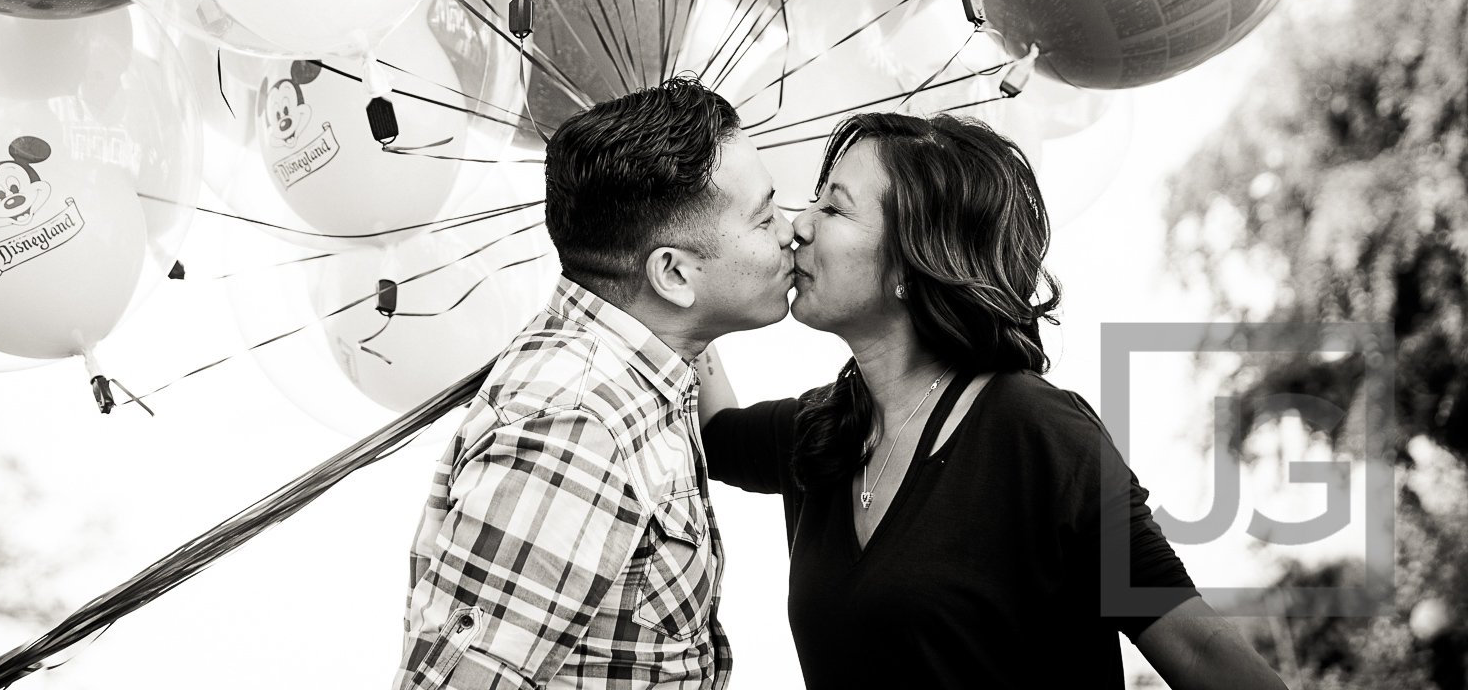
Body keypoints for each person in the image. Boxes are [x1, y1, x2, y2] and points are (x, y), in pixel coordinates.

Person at [697, 112, 1289, 690]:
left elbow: (1194, 645)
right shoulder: (822, 431)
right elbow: (715, 430)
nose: (799, 225)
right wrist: (684, 263)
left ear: (912, 257)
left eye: (834, 207)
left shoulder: (1036, 430)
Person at [396, 76, 796, 689]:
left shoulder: (641, 368)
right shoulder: (575, 422)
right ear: (672, 273)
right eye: (764, 217)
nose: (790, 229)